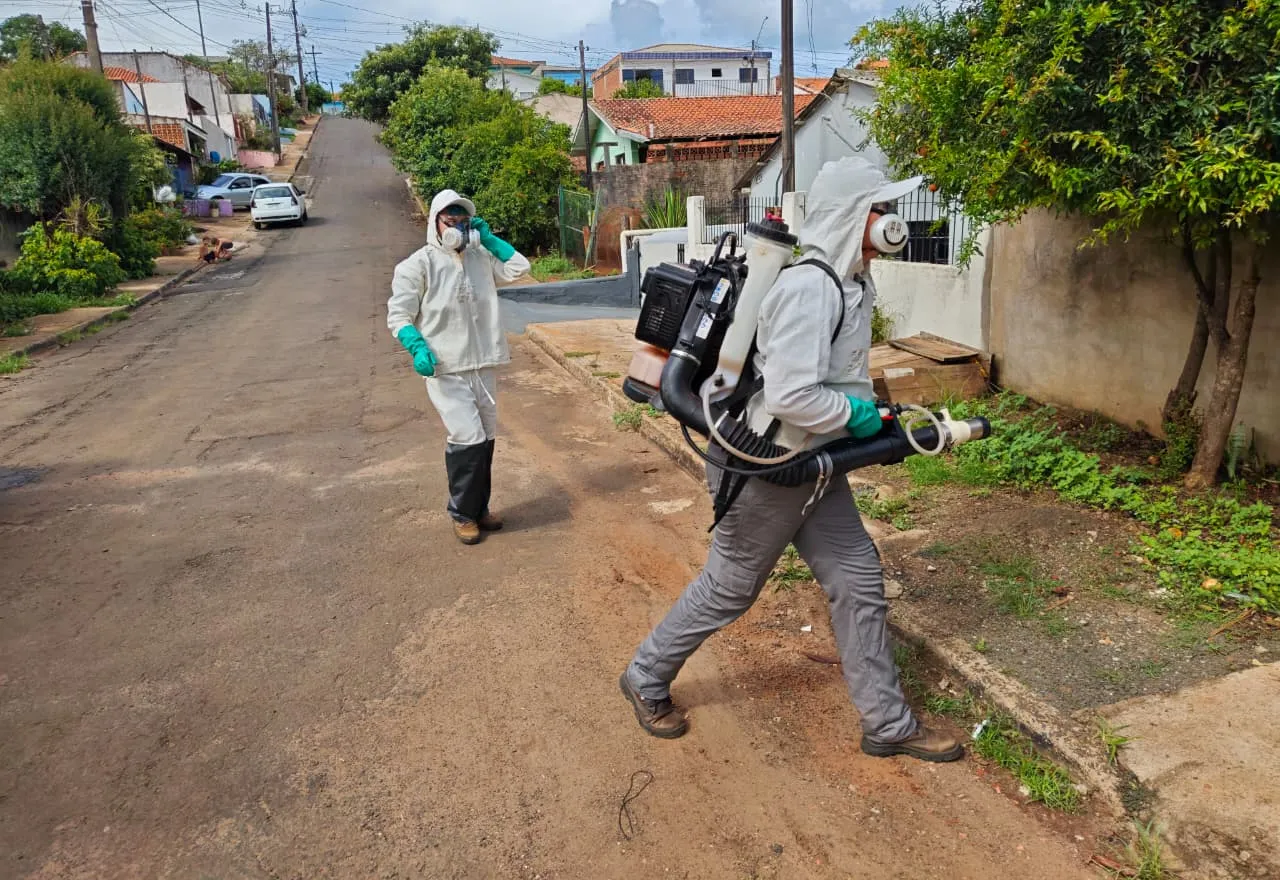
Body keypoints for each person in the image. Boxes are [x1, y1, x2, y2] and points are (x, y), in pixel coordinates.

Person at [620, 157, 964, 762]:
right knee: (729, 588)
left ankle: (887, 724)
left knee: (858, 584)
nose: (891, 220)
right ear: (856, 216)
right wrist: (861, 419)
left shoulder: (853, 281)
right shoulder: (811, 287)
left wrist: (868, 410)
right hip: (763, 465)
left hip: (814, 464)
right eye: (881, 209)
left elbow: (836, 378)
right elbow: (791, 396)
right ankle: (645, 675)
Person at [387, 190, 530, 545]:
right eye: (450, 222)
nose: (457, 229)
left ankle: (479, 508)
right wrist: (417, 346)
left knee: (486, 439)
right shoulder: (416, 265)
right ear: (435, 223)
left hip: (483, 364)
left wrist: (492, 241)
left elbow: (519, 268)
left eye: (463, 223)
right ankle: (462, 514)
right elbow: (398, 314)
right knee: (467, 438)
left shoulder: (481, 257)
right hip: (445, 367)